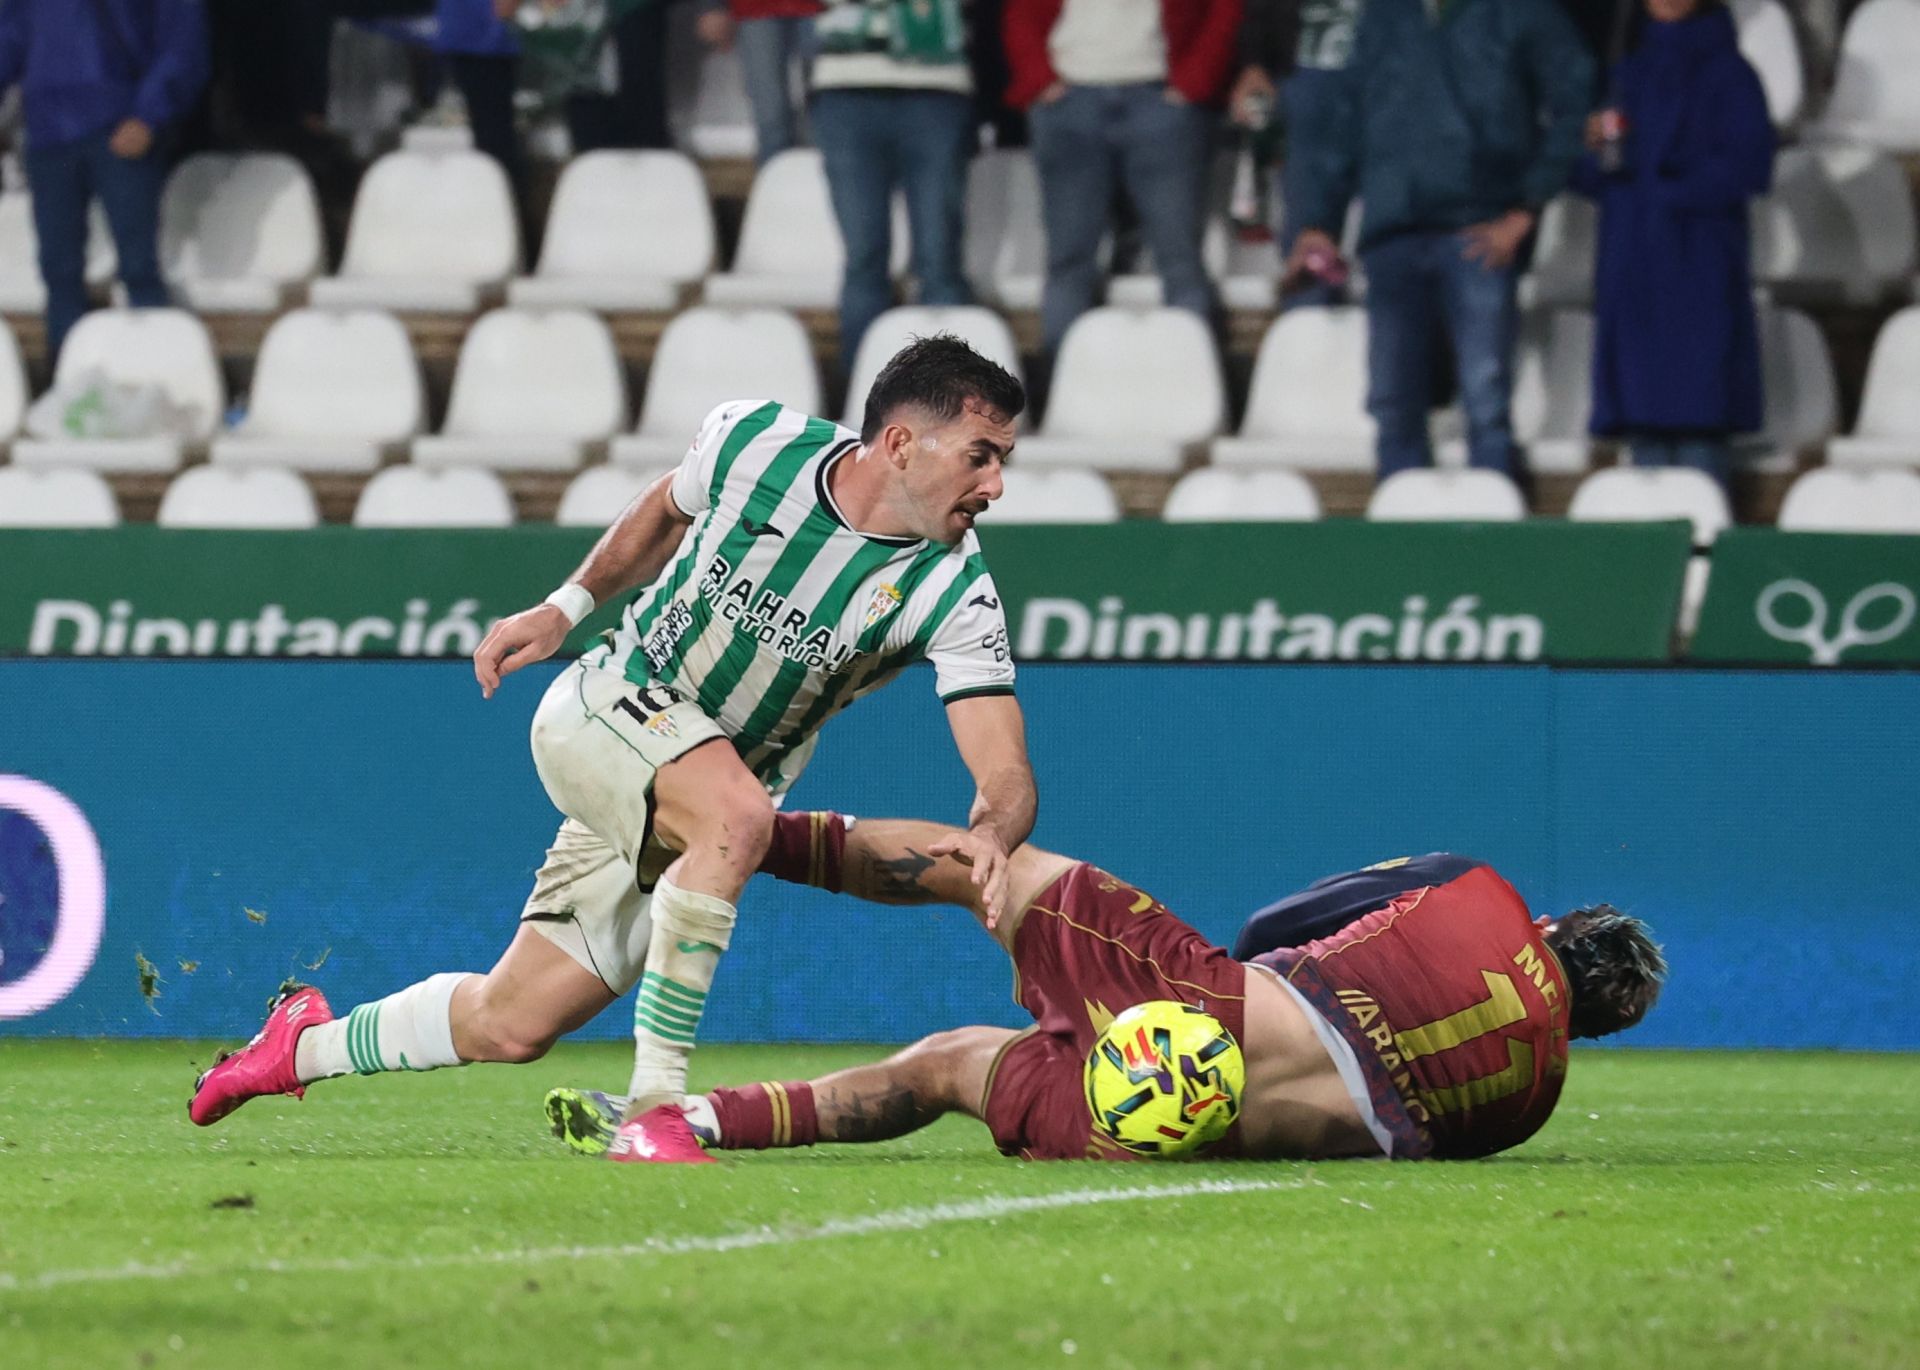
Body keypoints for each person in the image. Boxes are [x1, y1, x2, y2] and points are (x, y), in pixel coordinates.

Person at [189, 336, 1040, 1145]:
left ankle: (296, 1047)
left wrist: (995, 834)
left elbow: (1002, 765)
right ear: (901, 443)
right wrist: (565, 605)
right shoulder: (756, 442)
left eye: (1003, 459)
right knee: (739, 821)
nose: (996, 486)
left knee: (511, 1021)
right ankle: (654, 1110)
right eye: (981, 454)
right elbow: (668, 507)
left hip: (691, 798)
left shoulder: (953, 589)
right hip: (614, 701)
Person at [552, 811, 1666, 1163]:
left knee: (1000, 870)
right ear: (1595, 1029)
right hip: (1188, 1132)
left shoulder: (1481, 888)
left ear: (1559, 923)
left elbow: (1277, 927)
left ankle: (743, 833)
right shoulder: (1534, 1100)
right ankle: (683, 1126)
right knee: (949, 1064)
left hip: (1215, 1009)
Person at [1283, 0, 1592, 479]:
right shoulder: (1383, 14)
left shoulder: (1521, 12)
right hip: (1391, 232)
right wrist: (1319, 220)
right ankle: (1399, 543)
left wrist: (1525, 209)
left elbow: (1578, 98)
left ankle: (1494, 541)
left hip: (1479, 230)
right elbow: (1345, 120)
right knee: (1392, 404)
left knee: (1486, 403)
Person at [1574, 0, 1773, 488]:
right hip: (1634, 269)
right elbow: (1588, 177)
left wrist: (1665, 192)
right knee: (1646, 449)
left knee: (1699, 432)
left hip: (1697, 266)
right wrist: (1592, 147)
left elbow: (1749, 166)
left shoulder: (1731, 74)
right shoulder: (1625, 74)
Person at [1003, 0, 1241, 356]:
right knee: (1069, 261)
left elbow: (1225, 10)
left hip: (1159, 97)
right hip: (1069, 98)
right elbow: (1020, 12)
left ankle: (1193, 378)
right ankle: (1061, 388)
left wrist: (1194, 81)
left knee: (1180, 257)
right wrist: (1040, 78)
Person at [0, 0, 209, 362]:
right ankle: (69, 383)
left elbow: (184, 39)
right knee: (58, 270)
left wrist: (148, 115)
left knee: (139, 269)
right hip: (49, 132)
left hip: (121, 127)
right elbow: (10, 34)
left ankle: (157, 374)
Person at [810, 0, 976, 362]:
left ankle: (944, 399)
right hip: (845, 91)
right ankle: (865, 400)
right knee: (864, 260)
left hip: (937, 90)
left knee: (939, 259)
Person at [696, 0, 822, 165]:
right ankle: (777, 186)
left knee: (828, 114)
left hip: (826, 10)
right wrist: (712, 6)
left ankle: (829, 186)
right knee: (771, 116)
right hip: (755, 8)